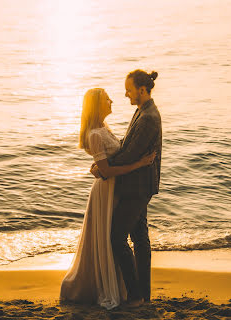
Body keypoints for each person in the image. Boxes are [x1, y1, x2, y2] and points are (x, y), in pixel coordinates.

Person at [59, 87, 156, 310]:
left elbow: (112, 160)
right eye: (106, 99)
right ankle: (111, 287)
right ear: (97, 105)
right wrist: (139, 164)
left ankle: (130, 288)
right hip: (106, 191)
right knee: (109, 236)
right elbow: (108, 171)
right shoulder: (94, 134)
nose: (111, 100)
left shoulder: (103, 127)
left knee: (114, 236)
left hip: (117, 188)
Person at [91, 70, 162, 305]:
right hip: (137, 185)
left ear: (142, 90)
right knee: (140, 238)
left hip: (138, 187)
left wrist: (103, 168)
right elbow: (125, 145)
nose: (125, 94)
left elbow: (131, 153)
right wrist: (102, 164)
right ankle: (142, 295)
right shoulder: (141, 111)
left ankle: (135, 294)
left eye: (129, 90)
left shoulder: (149, 117)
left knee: (117, 237)